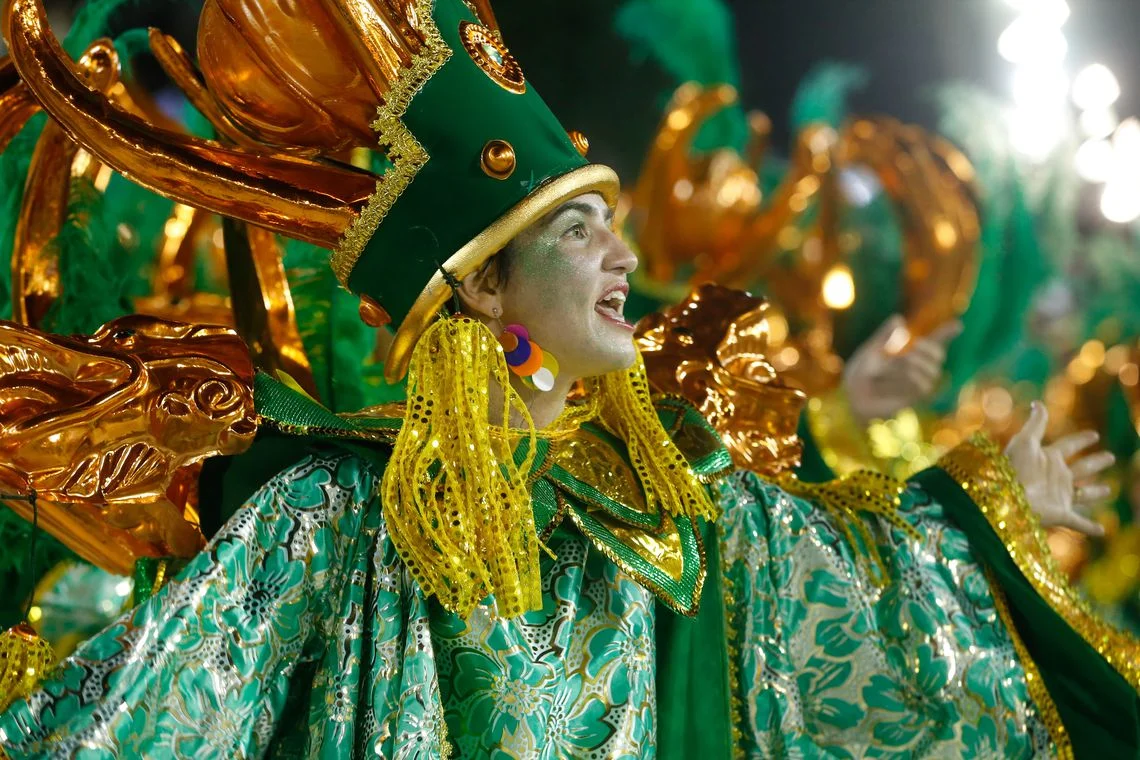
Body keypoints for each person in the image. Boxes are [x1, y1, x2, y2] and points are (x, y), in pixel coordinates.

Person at [0, 0, 1136, 757]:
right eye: (580, 229)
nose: (626, 260)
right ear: (486, 289)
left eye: (616, 226)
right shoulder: (338, 510)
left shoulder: (668, 506)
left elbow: (847, 593)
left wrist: (982, 518)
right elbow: (161, 715)